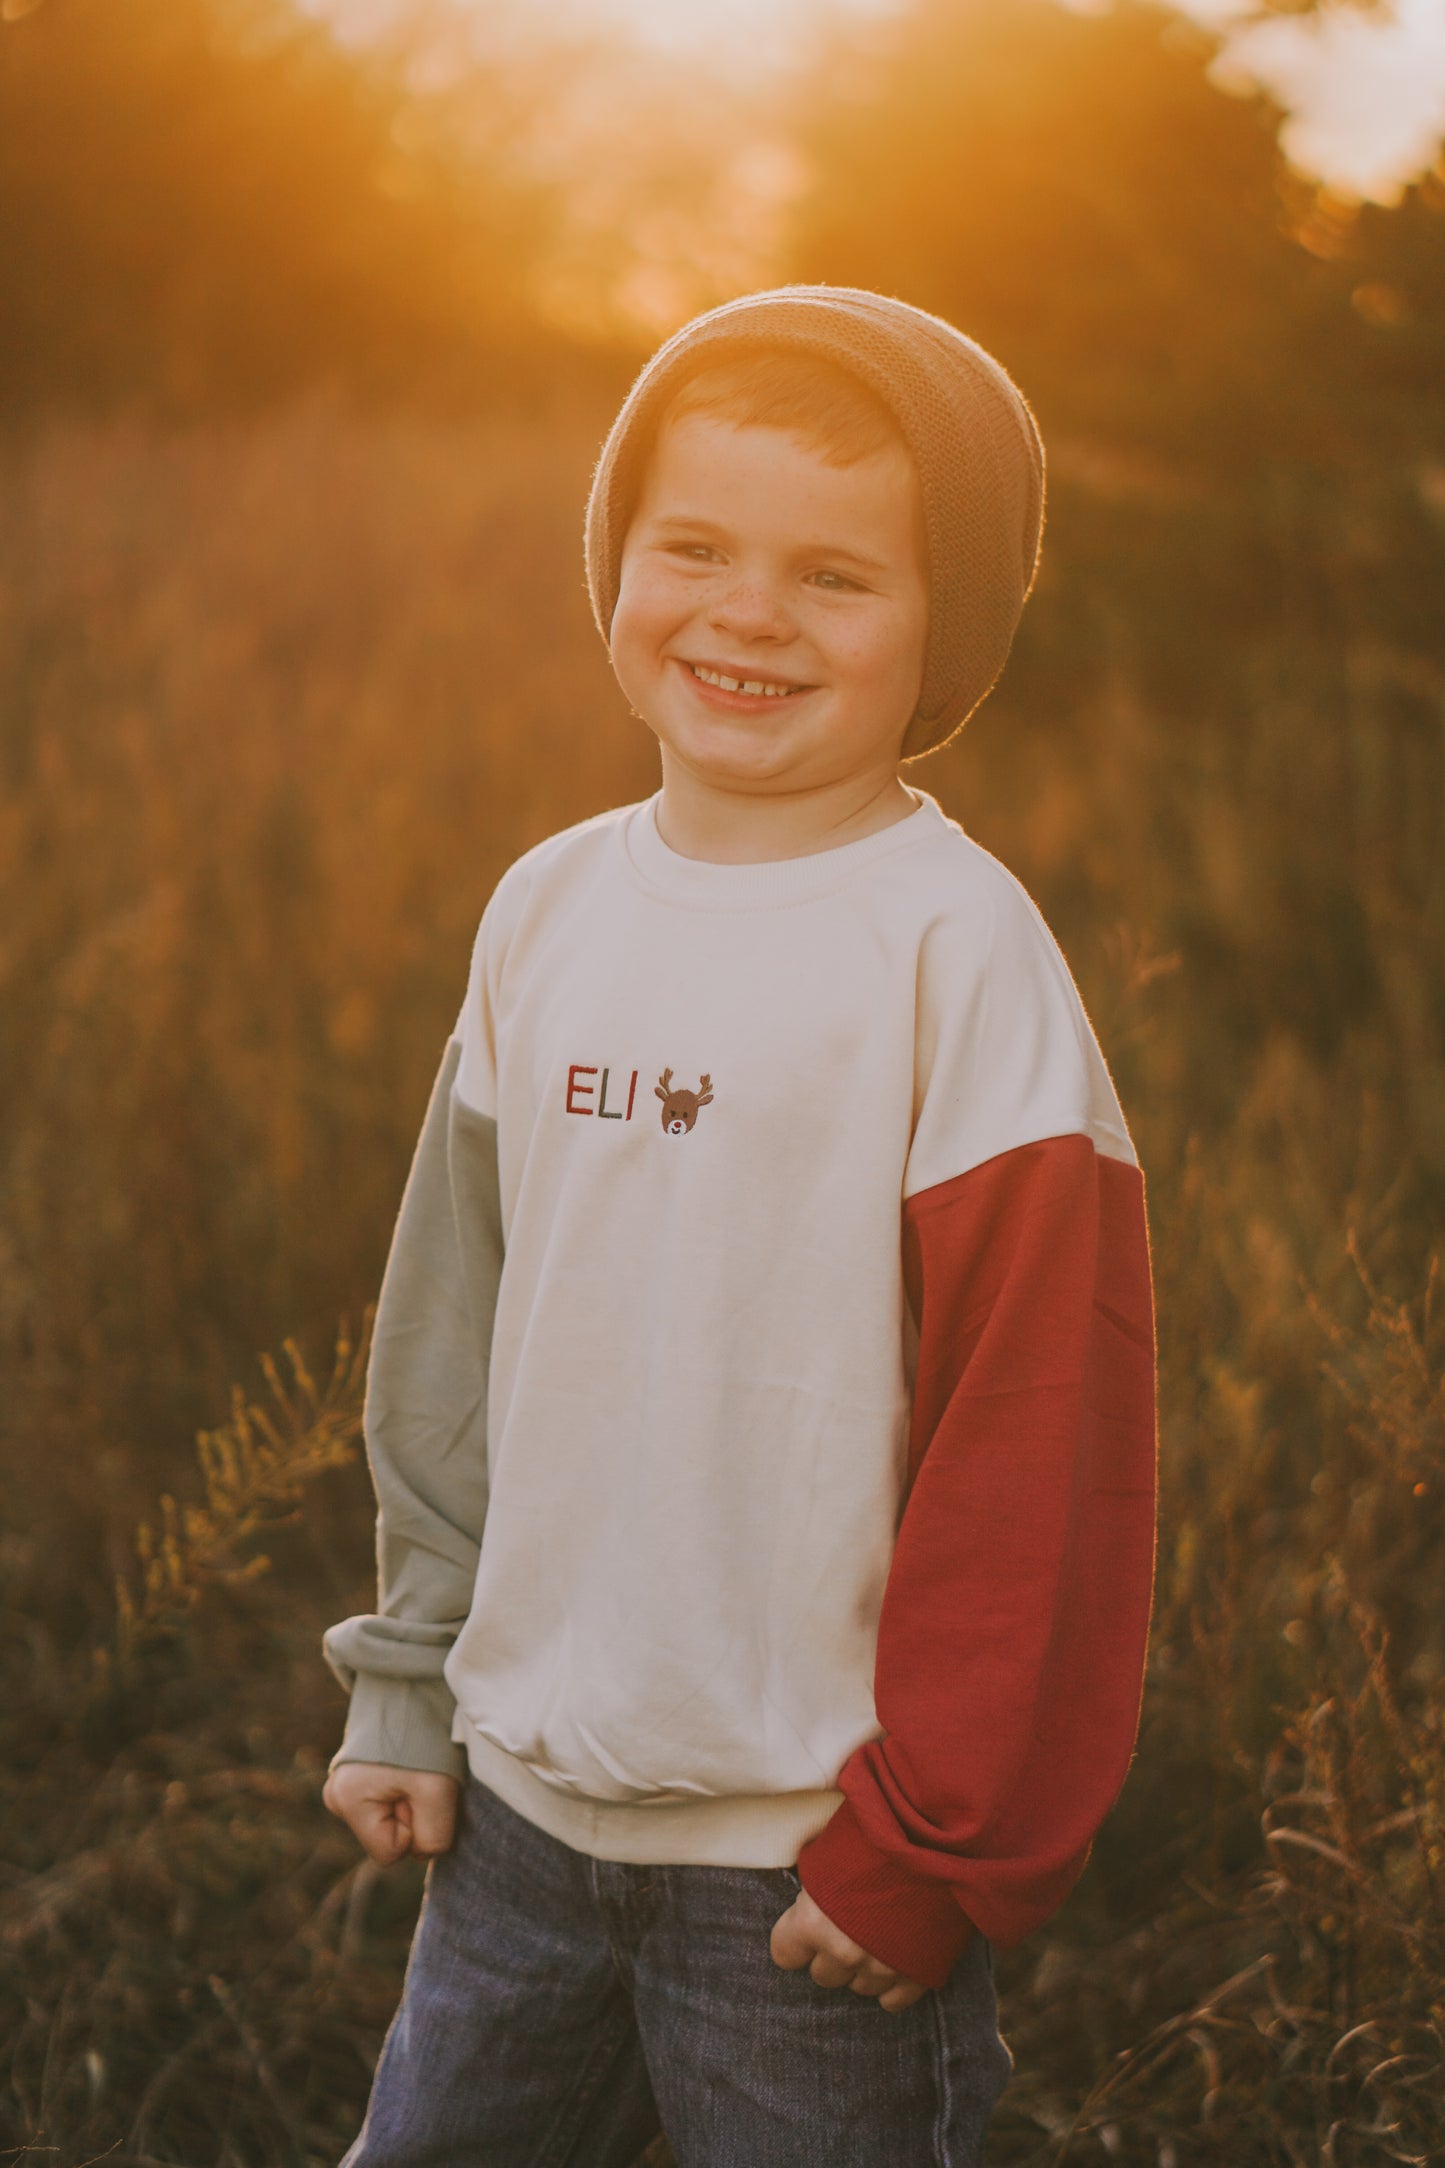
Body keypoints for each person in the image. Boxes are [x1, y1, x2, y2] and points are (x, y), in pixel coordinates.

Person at [320, 285, 1159, 2168]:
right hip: (520, 1828)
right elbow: (452, 1335)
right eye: (691, 546)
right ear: (613, 559)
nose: (746, 614)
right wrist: (409, 1674)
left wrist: (920, 1850)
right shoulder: (548, 908)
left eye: (835, 577)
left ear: (949, 623)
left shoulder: (953, 956)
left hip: (804, 1870)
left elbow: (1041, 1446)